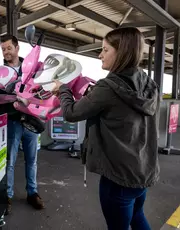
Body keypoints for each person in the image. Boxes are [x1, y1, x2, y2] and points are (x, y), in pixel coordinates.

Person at [51, 27, 160, 230]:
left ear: (122, 52)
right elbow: (120, 107)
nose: (100, 54)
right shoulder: (148, 83)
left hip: (118, 177)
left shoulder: (107, 88)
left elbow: (72, 113)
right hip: (142, 171)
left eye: (105, 49)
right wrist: (92, 94)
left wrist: (63, 90)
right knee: (137, 217)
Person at [0, 34, 44, 215]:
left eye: (8, 48)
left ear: (17, 48)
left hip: (32, 121)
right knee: (9, 162)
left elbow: (41, 90)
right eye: (3, 49)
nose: (6, 52)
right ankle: (8, 196)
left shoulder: (32, 68)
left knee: (32, 160)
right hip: (13, 122)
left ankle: (32, 193)